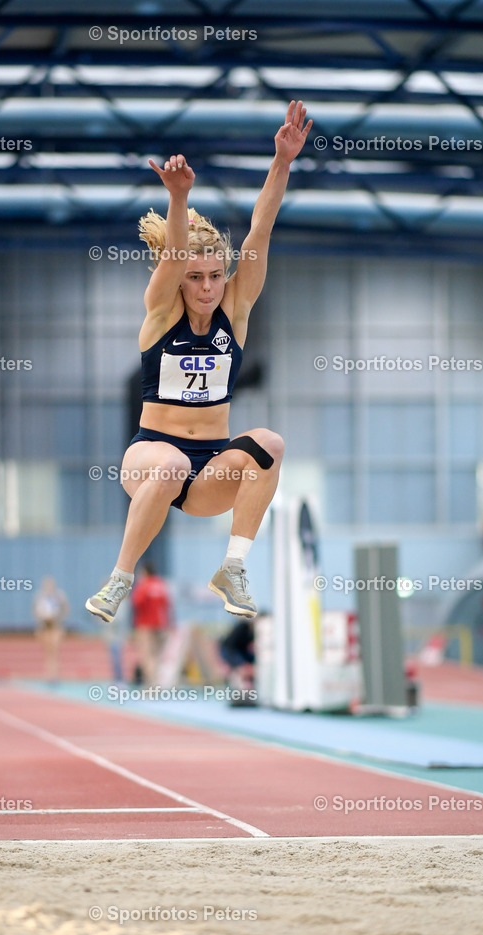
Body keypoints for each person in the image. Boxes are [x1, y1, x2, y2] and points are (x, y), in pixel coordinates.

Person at [85, 101, 312, 624]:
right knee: (170, 463)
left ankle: (233, 568)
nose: (207, 287)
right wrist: (179, 196)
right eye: (195, 277)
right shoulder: (162, 313)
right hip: (151, 458)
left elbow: (261, 229)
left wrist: (281, 163)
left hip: (209, 470)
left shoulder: (235, 308)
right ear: (180, 278)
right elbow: (172, 256)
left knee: (270, 445)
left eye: (215, 275)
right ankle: (120, 579)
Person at [130, 562, 172, 687]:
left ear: (144, 573)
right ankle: (157, 683)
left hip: (145, 625)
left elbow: (136, 603)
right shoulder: (161, 585)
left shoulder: (143, 586)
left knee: (147, 656)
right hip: (160, 624)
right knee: (157, 656)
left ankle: (150, 685)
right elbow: (166, 605)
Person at [33, 576, 70, 681]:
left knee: (55, 649)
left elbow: (65, 609)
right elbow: (36, 611)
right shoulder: (40, 596)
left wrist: (58, 618)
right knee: (47, 650)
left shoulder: (59, 596)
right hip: (44, 625)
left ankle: (55, 673)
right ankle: (49, 673)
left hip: (55, 625)